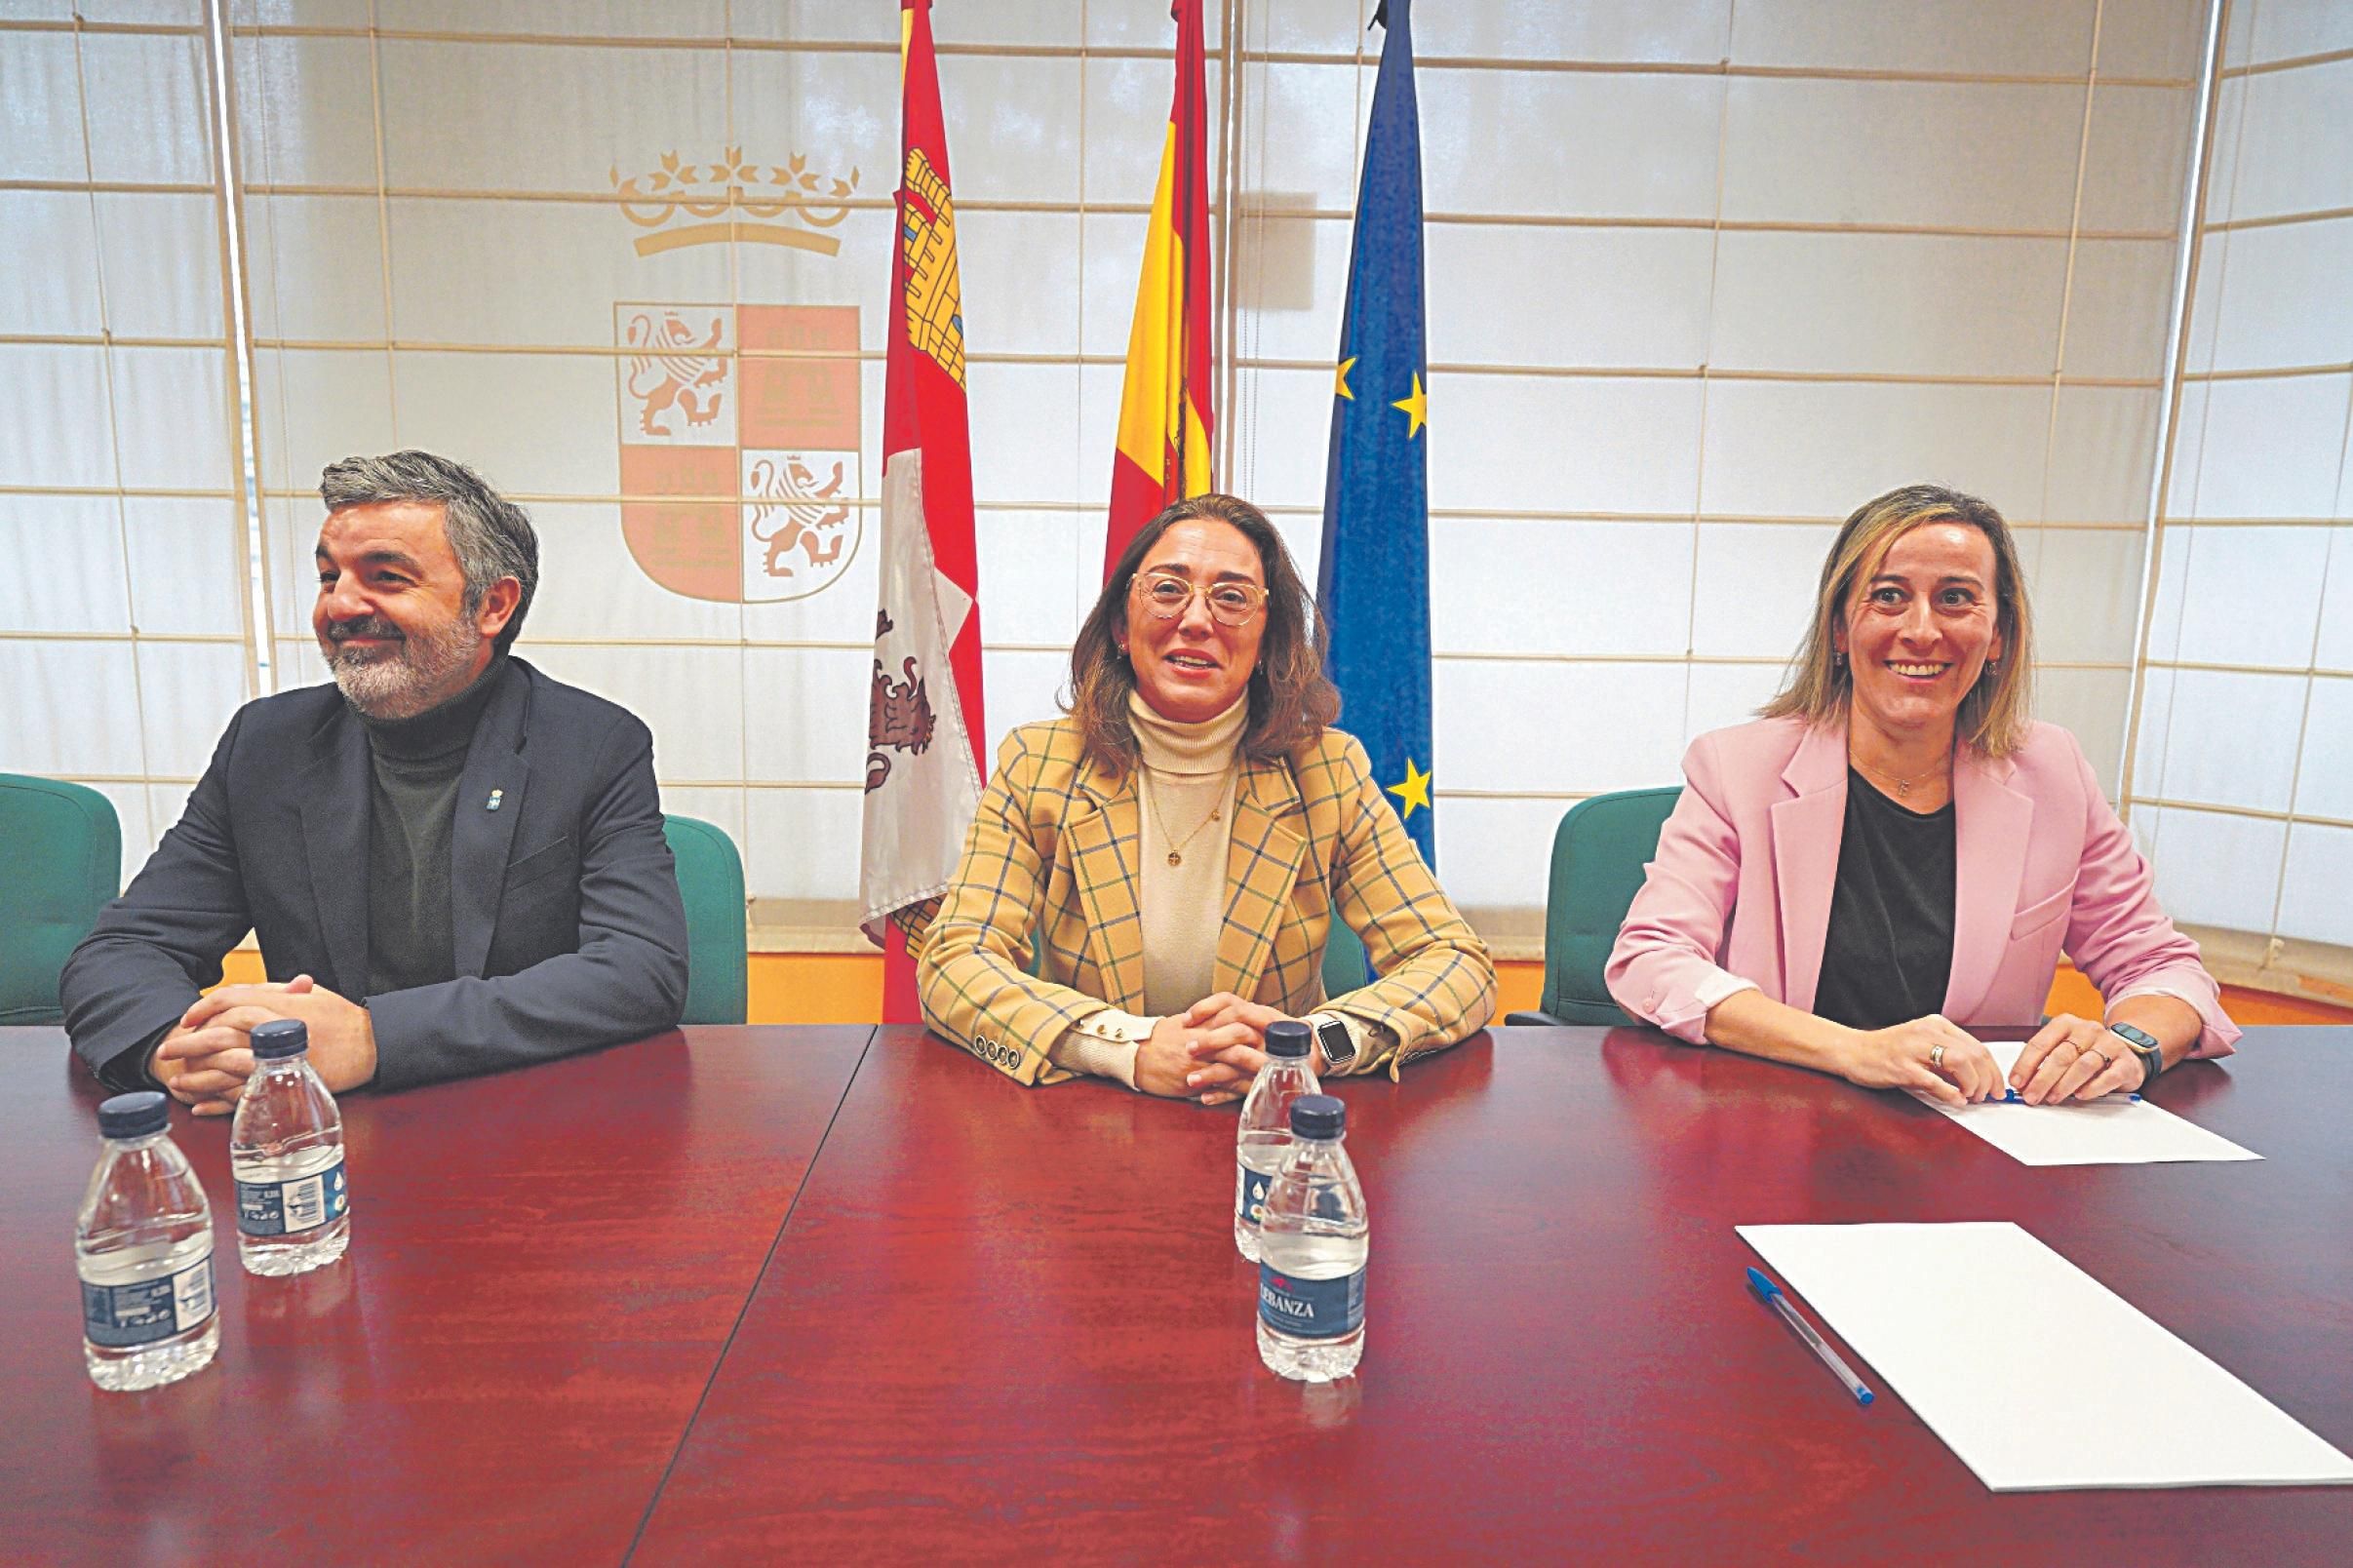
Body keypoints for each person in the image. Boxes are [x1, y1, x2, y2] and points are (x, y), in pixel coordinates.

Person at [61, 451, 688, 1111]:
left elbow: (640, 970)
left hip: (527, 1116)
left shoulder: (592, 744)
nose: (341, 605)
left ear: (493, 605)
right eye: (329, 577)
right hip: (324, 1132)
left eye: (385, 577)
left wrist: (374, 1038)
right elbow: (125, 949)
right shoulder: (266, 745)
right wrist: (172, 1048)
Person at [1607, 484, 2237, 1106]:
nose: (1920, 630)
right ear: (1836, 628)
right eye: (1887, 597)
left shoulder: (2052, 771)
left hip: (1974, 1136)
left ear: (1996, 636)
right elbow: (1651, 959)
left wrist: (2129, 1044)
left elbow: (2162, 966)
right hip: (1776, 1123)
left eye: (1955, 599)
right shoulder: (1737, 766)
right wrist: (1853, 1050)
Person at [915, 493, 1495, 1102]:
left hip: (1273, 1118)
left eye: (1232, 598)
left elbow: (1457, 963)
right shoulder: (1041, 766)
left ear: (1269, 639)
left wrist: (1316, 1044)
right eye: (1168, 590)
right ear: (1120, 625)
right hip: (1091, 1110)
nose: (1196, 620)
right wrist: (1124, 1047)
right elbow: (954, 964)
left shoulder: (1326, 770)